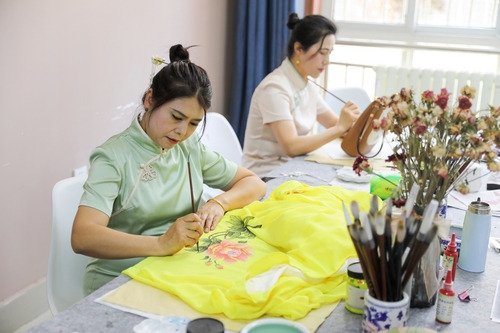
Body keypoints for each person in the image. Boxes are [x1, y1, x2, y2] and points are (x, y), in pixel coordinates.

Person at [71, 44, 267, 295]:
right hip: (121, 278)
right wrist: (162, 243)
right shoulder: (112, 157)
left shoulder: (189, 146)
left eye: (194, 123)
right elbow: (83, 236)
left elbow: (254, 183)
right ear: (150, 99)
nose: (182, 131)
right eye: (176, 117)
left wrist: (219, 203)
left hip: (175, 268)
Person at [242, 13, 361, 178]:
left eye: (329, 53)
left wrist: (364, 125)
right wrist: (341, 127)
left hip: (294, 168)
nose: (327, 61)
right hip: (266, 175)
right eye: (322, 52)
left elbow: (335, 124)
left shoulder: (306, 83)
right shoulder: (275, 88)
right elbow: (291, 147)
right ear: (298, 49)